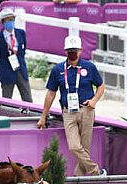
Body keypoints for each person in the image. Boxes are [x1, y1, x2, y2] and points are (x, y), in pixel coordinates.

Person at [37, 35, 107, 176]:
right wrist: (43, 116)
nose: (72, 53)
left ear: (80, 50)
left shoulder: (89, 67)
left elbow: (101, 86)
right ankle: (96, 171)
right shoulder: (58, 70)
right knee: (74, 146)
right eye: (69, 50)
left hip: (86, 110)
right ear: (65, 51)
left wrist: (93, 101)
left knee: (85, 148)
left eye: (75, 50)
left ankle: (78, 180)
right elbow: (51, 93)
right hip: (68, 112)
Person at [0, 9, 33, 103]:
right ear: (3, 22)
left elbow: (23, 49)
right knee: (6, 99)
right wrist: (4, 66)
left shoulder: (21, 33)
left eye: (12, 19)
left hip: (20, 69)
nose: (10, 22)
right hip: (6, 71)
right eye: (7, 20)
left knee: (27, 98)